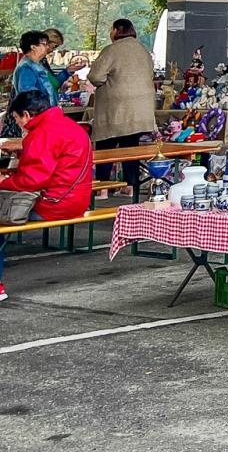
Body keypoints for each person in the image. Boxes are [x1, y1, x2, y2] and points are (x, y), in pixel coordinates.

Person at [0, 89, 93, 302]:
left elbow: (32, 180)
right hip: (76, 200)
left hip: (54, 203)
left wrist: (4, 181)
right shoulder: (67, 125)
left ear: (26, 114)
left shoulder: (42, 133)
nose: (18, 124)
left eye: (16, 118)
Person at [86, 18, 157, 194]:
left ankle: (103, 188)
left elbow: (95, 76)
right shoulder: (143, 50)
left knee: (106, 147)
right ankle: (130, 186)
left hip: (116, 108)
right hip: (141, 109)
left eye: (111, 29)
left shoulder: (111, 50)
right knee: (131, 148)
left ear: (117, 30)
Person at [11, 30, 58, 105]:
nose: (47, 47)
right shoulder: (26, 68)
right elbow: (29, 97)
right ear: (33, 47)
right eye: (44, 44)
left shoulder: (36, 64)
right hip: (38, 111)